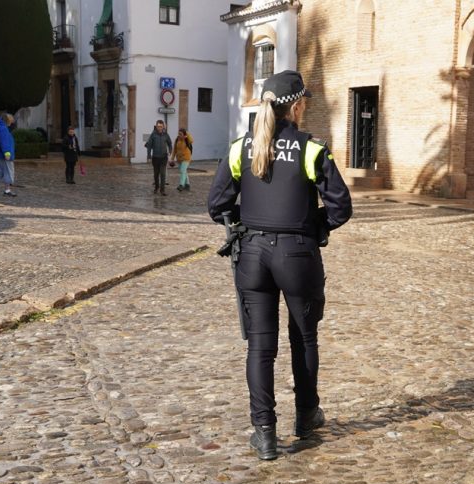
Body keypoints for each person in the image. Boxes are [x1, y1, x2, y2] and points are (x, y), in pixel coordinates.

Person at [207, 70, 353, 461]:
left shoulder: (241, 148)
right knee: (304, 338)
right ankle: (306, 417)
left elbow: (216, 205)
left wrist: (248, 221)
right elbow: (341, 207)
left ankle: (265, 433)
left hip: (252, 255)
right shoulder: (311, 150)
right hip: (297, 254)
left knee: (260, 346)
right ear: (298, 106)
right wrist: (312, 227)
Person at [145, 120, 173, 195]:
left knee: (163, 174)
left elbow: (170, 144)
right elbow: (149, 146)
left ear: (163, 126)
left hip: (164, 157)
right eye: (158, 126)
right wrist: (149, 156)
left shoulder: (166, 135)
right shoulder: (153, 135)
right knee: (156, 174)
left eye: (161, 126)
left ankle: (162, 190)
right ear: (156, 126)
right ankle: (157, 187)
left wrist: (170, 151)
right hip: (155, 157)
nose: (159, 128)